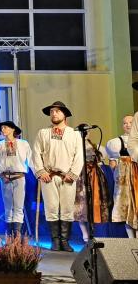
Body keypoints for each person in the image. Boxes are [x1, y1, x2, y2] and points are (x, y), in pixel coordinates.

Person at [32, 101, 83, 252]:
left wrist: (73, 174)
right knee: (51, 208)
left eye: (57, 111)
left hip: (67, 177)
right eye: (52, 111)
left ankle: (65, 241)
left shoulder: (74, 134)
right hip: (49, 176)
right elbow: (36, 153)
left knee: (67, 209)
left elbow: (79, 156)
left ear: (65, 114)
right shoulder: (43, 133)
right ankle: (55, 241)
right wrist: (41, 172)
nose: (54, 114)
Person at [0, 121, 31, 237]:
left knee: (18, 206)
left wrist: (39, 173)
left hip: (19, 177)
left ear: (13, 129)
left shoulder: (23, 144)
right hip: (5, 178)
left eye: (5, 127)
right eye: (2, 128)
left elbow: (30, 160)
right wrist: (2, 176)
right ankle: (10, 235)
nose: (3, 129)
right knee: (8, 206)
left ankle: (17, 235)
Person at [107, 114, 138, 237]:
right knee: (126, 208)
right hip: (124, 182)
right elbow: (113, 164)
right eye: (125, 123)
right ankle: (131, 240)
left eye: (131, 122)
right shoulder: (116, 143)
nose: (128, 125)